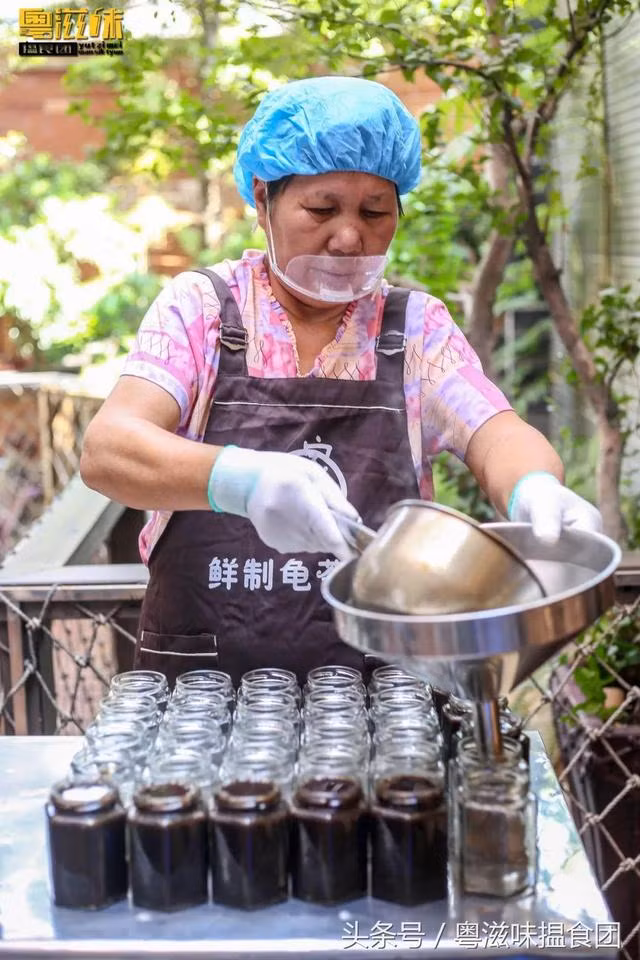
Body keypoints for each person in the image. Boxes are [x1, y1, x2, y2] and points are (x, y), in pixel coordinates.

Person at [80, 75, 602, 687]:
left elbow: (495, 432)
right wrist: (239, 480)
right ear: (261, 197)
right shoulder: (200, 310)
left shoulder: (415, 330)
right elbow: (109, 449)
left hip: (383, 691)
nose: (350, 236)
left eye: (375, 212)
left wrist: (534, 489)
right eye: (321, 209)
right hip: (202, 692)